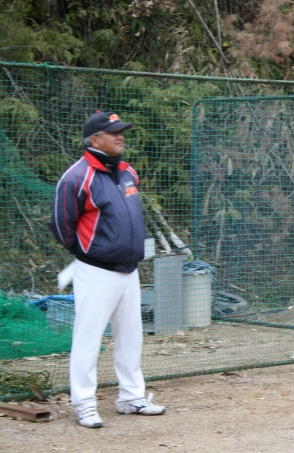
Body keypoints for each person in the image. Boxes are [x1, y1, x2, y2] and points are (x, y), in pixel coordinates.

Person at [49, 111, 165, 428]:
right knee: (88, 341)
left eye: (121, 131)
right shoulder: (76, 176)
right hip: (95, 272)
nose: (120, 136)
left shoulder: (128, 172)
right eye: (113, 132)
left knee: (131, 338)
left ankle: (131, 398)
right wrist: (86, 253)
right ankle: (84, 404)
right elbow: (61, 224)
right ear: (95, 139)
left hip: (129, 270)